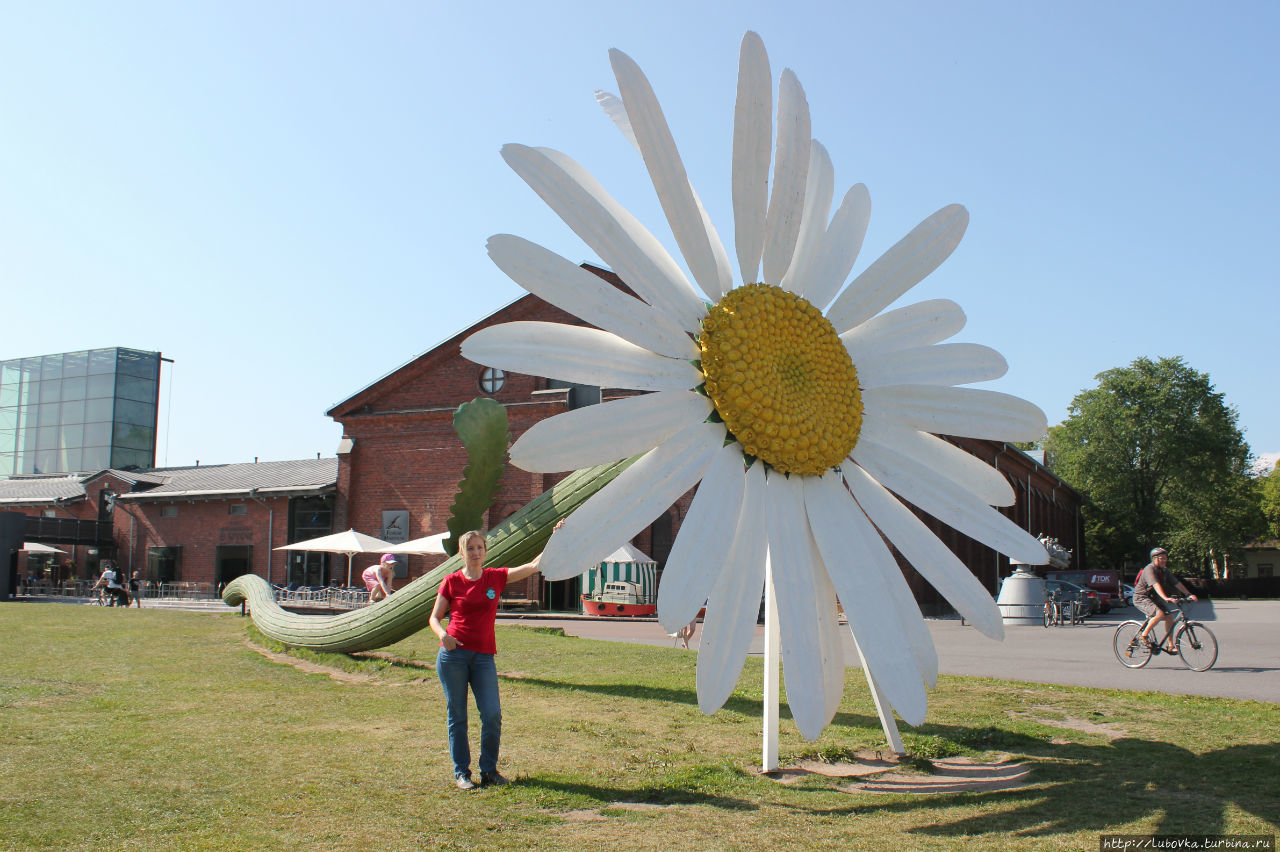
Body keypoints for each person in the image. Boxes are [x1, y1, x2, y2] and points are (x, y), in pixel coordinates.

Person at [428, 524, 560, 790]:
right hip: (453, 657)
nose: (476, 552)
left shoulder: (495, 578)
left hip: (483, 658)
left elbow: (535, 565)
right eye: (470, 548)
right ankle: (462, 773)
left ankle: (489, 770)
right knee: (458, 716)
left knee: (491, 714)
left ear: (485, 552)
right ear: (462, 553)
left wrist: (556, 535)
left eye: (480, 548)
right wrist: (443, 635)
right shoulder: (451, 581)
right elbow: (434, 617)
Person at [1133, 547, 1197, 653]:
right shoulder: (1149, 569)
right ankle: (1143, 636)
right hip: (1141, 598)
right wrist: (1166, 598)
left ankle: (1170, 645)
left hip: (1154, 598)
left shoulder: (1164, 570)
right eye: (1162, 558)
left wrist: (1188, 594)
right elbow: (1155, 585)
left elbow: (1177, 583)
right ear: (1155, 559)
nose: (1165, 560)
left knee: (1170, 617)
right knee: (1160, 614)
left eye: (1165, 558)